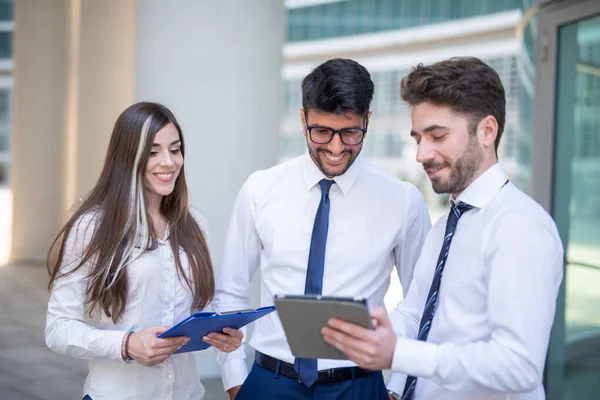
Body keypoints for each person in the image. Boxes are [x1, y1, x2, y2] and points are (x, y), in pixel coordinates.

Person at [322, 57, 564, 400]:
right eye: (418, 138)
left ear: (487, 131)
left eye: (437, 136)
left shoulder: (519, 226)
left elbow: (519, 365)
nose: (421, 154)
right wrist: (374, 333)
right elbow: (418, 314)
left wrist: (398, 354)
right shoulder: (445, 227)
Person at [212, 58, 431, 400]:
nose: (335, 147)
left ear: (367, 121)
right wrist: (235, 381)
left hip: (360, 385)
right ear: (303, 120)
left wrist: (395, 387)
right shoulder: (260, 190)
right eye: (322, 132)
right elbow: (231, 291)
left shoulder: (403, 201)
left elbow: (419, 303)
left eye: (350, 132)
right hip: (270, 381)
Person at [45, 102, 243, 400]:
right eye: (153, 152)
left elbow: (198, 308)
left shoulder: (194, 224)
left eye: (175, 150)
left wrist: (222, 332)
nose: (169, 162)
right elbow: (58, 329)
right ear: (127, 158)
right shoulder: (92, 227)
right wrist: (126, 344)